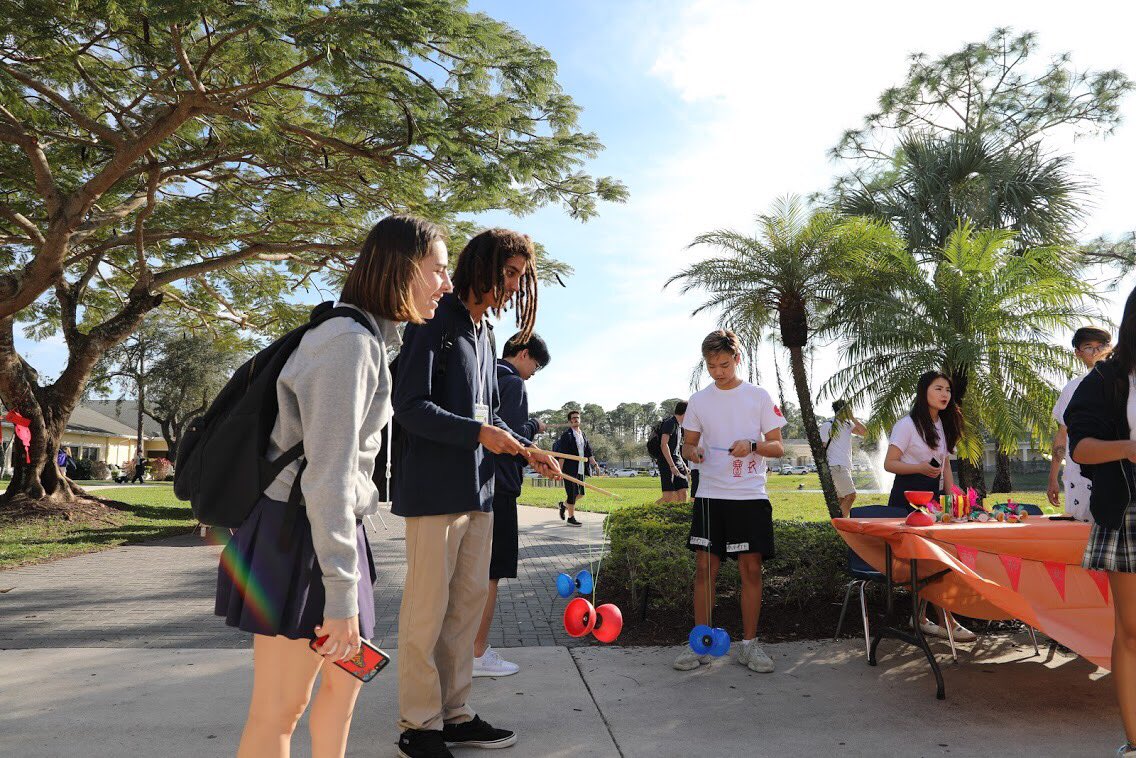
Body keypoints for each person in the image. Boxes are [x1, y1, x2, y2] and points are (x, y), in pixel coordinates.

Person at [214, 215, 451, 758]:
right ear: (402, 268)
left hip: (332, 533)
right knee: (279, 711)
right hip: (297, 536)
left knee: (343, 692)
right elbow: (328, 477)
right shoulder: (346, 344)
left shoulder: (369, 341)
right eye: (438, 270)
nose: (447, 284)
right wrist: (342, 593)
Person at [392, 229, 560, 758]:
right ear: (482, 266)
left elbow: (489, 418)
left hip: (480, 492)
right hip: (433, 492)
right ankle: (419, 726)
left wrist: (526, 448)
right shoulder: (433, 320)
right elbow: (409, 405)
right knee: (427, 612)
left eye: (520, 277)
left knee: (464, 610)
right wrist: (477, 434)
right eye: (509, 273)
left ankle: (456, 713)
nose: (514, 286)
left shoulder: (485, 333)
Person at [674, 329, 785, 673]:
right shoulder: (699, 400)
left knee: (750, 570)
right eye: (711, 365)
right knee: (705, 569)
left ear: (738, 359)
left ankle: (749, 646)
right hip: (710, 496)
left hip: (749, 496)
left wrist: (751, 446)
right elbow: (686, 446)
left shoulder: (758, 396)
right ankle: (700, 643)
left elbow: (778, 447)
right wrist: (695, 450)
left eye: (724, 364)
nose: (718, 371)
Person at [1066, 287, 1136, 758]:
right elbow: (1080, 447)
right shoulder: (1109, 378)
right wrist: (1130, 448)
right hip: (1129, 511)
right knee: (1132, 631)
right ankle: (1134, 741)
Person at [471, 332, 549, 678]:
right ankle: (476, 652)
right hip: (501, 488)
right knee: (492, 574)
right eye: (536, 364)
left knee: (471, 574)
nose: (533, 372)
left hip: (478, 486)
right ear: (523, 354)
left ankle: (464, 650)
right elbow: (514, 441)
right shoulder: (513, 384)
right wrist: (533, 436)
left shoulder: (484, 378)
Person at [883, 370, 975, 643]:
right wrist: (920, 468)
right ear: (924, 392)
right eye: (938, 388)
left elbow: (945, 464)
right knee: (928, 561)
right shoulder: (907, 425)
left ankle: (921, 618)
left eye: (947, 389)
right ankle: (947, 620)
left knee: (931, 559)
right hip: (906, 498)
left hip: (932, 502)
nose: (945, 394)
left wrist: (954, 498)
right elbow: (889, 463)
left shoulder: (942, 425)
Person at [1048, 326, 1112, 520]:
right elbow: (1062, 433)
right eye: (1089, 347)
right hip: (1078, 473)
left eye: (1102, 346)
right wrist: (1052, 478)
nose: (1096, 352)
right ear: (1078, 352)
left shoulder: (1125, 382)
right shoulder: (1071, 389)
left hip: (1114, 471)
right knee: (1080, 535)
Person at [819, 400, 867, 517]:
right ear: (842, 410)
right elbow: (822, 447)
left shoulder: (848, 425)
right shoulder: (828, 425)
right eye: (848, 409)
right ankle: (840, 526)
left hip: (844, 466)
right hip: (836, 466)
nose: (850, 411)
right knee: (851, 496)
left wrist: (853, 418)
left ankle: (836, 527)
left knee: (841, 499)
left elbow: (864, 432)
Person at [552, 411, 601, 526]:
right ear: (569, 421)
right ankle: (571, 518)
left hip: (581, 468)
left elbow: (589, 453)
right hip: (569, 469)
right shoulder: (567, 435)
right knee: (572, 493)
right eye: (573, 418)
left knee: (581, 494)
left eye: (577, 418)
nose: (575, 420)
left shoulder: (583, 435)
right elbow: (562, 455)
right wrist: (559, 471)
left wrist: (595, 465)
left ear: (580, 420)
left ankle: (563, 505)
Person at [657, 402, 689, 503]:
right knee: (669, 497)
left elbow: (676, 449)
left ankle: (678, 518)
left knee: (683, 493)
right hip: (667, 463)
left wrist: (684, 465)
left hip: (677, 462)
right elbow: (664, 444)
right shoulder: (670, 423)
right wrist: (672, 466)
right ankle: (645, 515)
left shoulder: (679, 426)